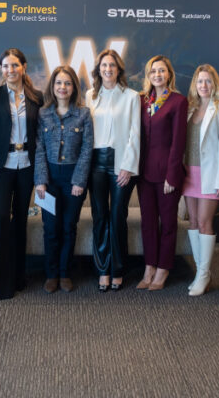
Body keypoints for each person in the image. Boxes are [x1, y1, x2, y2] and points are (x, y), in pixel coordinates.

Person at [0, 48, 42, 301]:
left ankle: (19, 276)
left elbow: (40, 134)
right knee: (1, 220)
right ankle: (1, 280)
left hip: (27, 164)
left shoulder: (37, 97)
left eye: (15, 65)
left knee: (20, 221)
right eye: (5, 66)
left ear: (24, 67)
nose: (10, 70)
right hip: (2, 166)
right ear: (1, 69)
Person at [34, 66, 93, 293]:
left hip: (73, 180)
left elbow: (87, 149)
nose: (63, 87)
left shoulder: (83, 114)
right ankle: (51, 274)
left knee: (69, 226)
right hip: (49, 180)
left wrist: (79, 181)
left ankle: (65, 273)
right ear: (53, 86)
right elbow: (39, 148)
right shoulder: (43, 114)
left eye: (67, 83)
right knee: (50, 228)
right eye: (59, 82)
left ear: (74, 87)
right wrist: (40, 180)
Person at [85, 49, 140, 292]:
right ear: (98, 69)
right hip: (95, 163)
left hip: (121, 163)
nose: (108, 69)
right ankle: (102, 270)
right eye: (104, 65)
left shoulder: (131, 96)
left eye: (112, 65)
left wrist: (128, 166)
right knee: (99, 216)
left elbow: (135, 133)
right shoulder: (90, 95)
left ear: (119, 69)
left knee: (118, 216)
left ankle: (117, 269)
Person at [136, 55, 188, 291]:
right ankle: (149, 266)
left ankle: (163, 268)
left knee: (167, 223)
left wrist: (172, 175)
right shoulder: (142, 101)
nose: (157, 75)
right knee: (147, 223)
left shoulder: (178, 101)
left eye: (161, 70)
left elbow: (179, 142)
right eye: (153, 71)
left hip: (167, 174)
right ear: (148, 75)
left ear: (169, 74)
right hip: (144, 174)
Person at [182, 64, 219, 296]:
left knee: (204, 222)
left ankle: (204, 274)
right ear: (195, 84)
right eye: (200, 81)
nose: (203, 85)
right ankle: (200, 272)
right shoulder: (190, 109)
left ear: (215, 84)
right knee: (192, 222)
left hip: (210, 174)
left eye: (208, 81)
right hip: (188, 173)